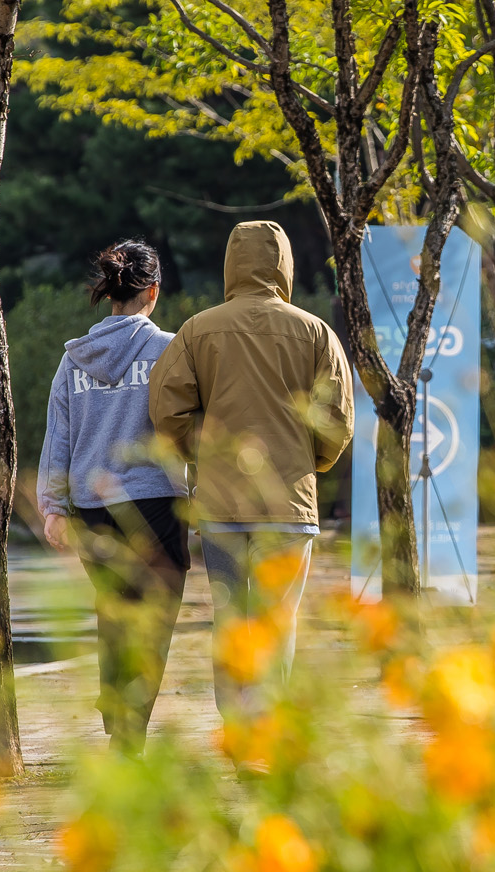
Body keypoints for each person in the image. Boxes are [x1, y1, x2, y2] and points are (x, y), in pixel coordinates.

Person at [149, 220, 353, 718]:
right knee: (276, 619)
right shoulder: (314, 331)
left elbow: (166, 409)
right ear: (284, 264)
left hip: (221, 506)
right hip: (288, 502)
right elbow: (338, 417)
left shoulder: (199, 329)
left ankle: (236, 726)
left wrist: (202, 456)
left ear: (230, 265)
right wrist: (312, 461)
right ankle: (264, 729)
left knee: (231, 618)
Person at [38, 240, 189, 749]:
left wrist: (54, 508)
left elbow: (58, 436)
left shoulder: (73, 360)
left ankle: (119, 721)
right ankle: (131, 729)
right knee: (154, 616)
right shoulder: (169, 350)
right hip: (155, 502)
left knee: (115, 610)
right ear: (153, 291)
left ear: (111, 293)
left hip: (91, 506)